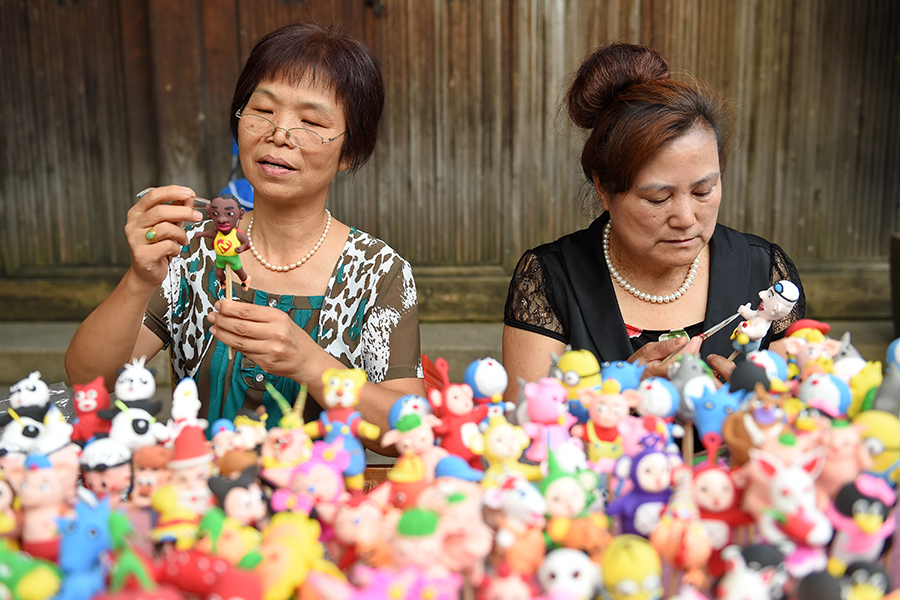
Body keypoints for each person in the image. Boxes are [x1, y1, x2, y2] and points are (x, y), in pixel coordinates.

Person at [66, 23, 424, 447]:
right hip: (198, 495)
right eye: (263, 111)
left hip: (322, 501)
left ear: (349, 151)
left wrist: (309, 363)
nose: (279, 134)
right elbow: (90, 382)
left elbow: (408, 432)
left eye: (310, 121)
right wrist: (139, 280)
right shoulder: (193, 250)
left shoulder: (379, 272)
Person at [502, 43, 805, 402]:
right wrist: (619, 392)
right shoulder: (551, 278)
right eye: (658, 199)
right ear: (603, 188)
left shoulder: (765, 271)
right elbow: (519, 425)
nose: (686, 218)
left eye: (704, 190)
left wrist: (760, 407)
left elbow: (805, 410)